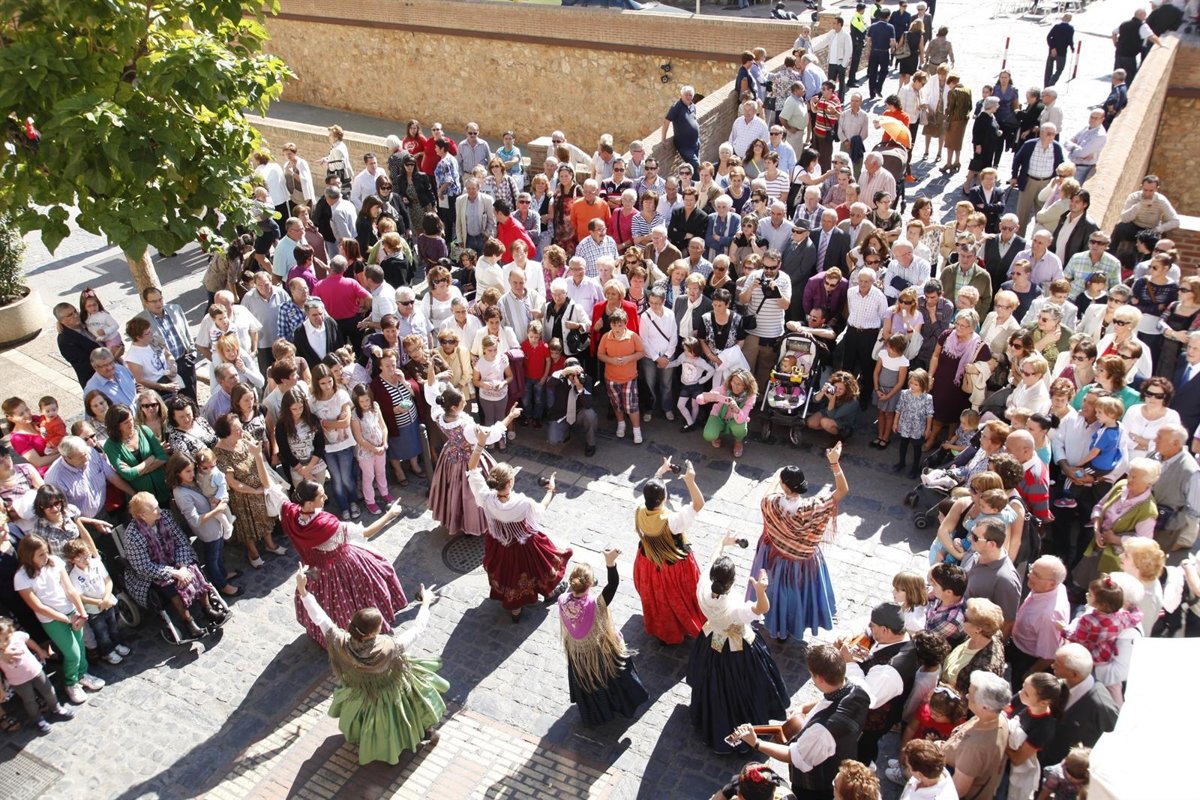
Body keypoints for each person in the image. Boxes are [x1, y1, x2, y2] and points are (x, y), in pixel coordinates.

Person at [295, 567, 445, 764]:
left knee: (368, 720)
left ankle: (373, 740)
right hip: (392, 690)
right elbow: (417, 629)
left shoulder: (339, 640)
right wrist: (425, 603)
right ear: (372, 633)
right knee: (409, 712)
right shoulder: (390, 647)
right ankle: (425, 733)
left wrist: (303, 590)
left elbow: (320, 618)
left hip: (361, 691)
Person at [688, 533, 788, 753]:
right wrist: (761, 591)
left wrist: (722, 543)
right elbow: (762, 608)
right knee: (745, 686)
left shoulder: (703, 587)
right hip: (738, 648)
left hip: (713, 638)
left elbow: (712, 561)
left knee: (714, 683)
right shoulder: (734, 608)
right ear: (732, 583)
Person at [732, 644, 871, 800]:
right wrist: (803, 707)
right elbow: (829, 699)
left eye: (811, 674)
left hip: (816, 786)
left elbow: (793, 755)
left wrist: (756, 743)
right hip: (844, 755)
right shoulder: (859, 687)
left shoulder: (821, 731)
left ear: (819, 678)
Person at [282, 478, 407, 649]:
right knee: (365, 588)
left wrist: (259, 461)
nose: (326, 497)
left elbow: (271, 489)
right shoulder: (329, 527)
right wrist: (391, 514)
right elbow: (366, 532)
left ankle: (334, 634)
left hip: (317, 570)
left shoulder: (292, 514)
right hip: (342, 564)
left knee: (328, 604)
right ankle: (363, 630)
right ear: (310, 503)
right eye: (321, 496)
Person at [466, 430, 571, 622]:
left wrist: (480, 444)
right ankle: (549, 592)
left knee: (509, 575)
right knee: (538, 568)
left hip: (499, 544)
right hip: (524, 545)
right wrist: (551, 491)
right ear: (510, 482)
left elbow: (472, 469)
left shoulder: (485, 498)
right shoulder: (523, 503)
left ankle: (515, 609)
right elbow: (541, 509)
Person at [558, 548, 649, 725]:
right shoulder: (596, 604)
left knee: (590, 682)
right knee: (615, 677)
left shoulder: (562, 600)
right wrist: (610, 562)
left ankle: (597, 712)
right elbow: (613, 584)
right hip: (600, 651)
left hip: (578, 653)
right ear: (590, 584)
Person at [125, 491, 225, 638]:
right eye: (154, 509)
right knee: (171, 586)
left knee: (194, 571)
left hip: (175, 559)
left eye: (158, 506)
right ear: (142, 515)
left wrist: (183, 566)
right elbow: (144, 567)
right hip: (153, 571)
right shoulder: (132, 536)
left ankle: (207, 609)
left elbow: (182, 541)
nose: (159, 510)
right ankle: (188, 622)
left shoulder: (165, 516)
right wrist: (175, 573)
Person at [633, 458, 706, 645]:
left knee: (660, 600)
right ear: (664, 498)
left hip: (649, 563)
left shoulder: (639, 509)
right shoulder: (672, 521)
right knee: (681, 598)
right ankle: (685, 625)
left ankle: (665, 629)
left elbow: (651, 492)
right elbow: (698, 504)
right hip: (674, 568)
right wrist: (690, 481)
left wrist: (660, 472)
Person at [1041, 643, 1119, 765]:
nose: (1052, 665)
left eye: (1058, 664)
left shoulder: (1100, 706)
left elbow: (1112, 740)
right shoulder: (1062, 683)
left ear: (1074, 674)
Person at [941, 671, 1011, 800]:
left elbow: (957, 790)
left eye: (971, 695)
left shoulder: (975, 747)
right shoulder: (997, 717)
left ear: (985, 707)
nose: (967, 696)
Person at [698, 369, 757, 458]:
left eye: (739, 384)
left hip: (736, 420)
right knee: (709, 435)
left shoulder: (750, 396)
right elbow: (702, 398)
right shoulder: (725, 388)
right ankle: (716, 437)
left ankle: (738, 442)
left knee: (740, 428)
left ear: (746, 386)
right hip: (718, 416)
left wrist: (736, 409)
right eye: (733, 382)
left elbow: (741, 419)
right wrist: (706, 398)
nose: (735, 386)